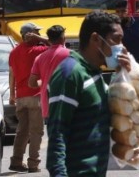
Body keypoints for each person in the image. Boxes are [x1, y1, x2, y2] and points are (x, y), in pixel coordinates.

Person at [47, 10, 131, 176]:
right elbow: (58, 133)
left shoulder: (95, 73)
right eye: (116, 40)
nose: (121, 47)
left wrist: (122, 75)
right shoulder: (70, 74)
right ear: (95, 39)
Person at [8, 22, 49, 173]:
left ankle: (16, 162)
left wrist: (12, 95)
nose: (38, 35)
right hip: (35, 97)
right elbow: (57, 46)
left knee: (22, 131)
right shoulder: (38, 49)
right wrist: (41, 38)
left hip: (20, 98)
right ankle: (33, 164)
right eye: (36, 32)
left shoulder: (14, 52)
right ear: (29, 34)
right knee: (36, 132)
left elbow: (11, 74)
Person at [28, 25, 70, 122]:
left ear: (49, 39)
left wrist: (44, 81)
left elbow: (31, 83)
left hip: (48, 106)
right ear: (63, 38)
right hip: (68, 105)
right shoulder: (70, 55)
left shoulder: (39, 57)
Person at [115, 0, 139, 65]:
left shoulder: (138, 19)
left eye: (123, 11)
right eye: (118, 12)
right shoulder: (116, 27)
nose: (120, 14)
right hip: (132, 64)